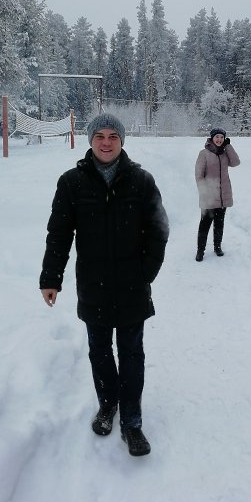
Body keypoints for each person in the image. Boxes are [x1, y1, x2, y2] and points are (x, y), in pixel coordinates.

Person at [40, 113, 169, 457]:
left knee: (131, 353)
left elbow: (159, 230)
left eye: (113, 136)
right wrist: (51, 278)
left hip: (132, 286)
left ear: (122, 141)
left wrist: (145, 273)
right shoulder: (72, 183)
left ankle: (132, 421)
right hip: (92, 285)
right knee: (99, 351)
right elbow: (59, 234)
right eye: (100, 136)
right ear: (91, 140)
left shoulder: (142, 181)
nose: (107, 142)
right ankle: (108, 404)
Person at [194, 127, 240, 262]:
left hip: (223, 196)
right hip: (209, 196)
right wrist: (204, 192)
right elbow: (198, 175)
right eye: (217, 137)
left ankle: (217, 247)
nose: (219, 139)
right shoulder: (204, 153)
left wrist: (229, 146)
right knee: (205, 224)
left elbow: (236, 162)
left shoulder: (225, 154)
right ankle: (200, 250)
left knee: (219, 224)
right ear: (212, 138)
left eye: (222, 137)